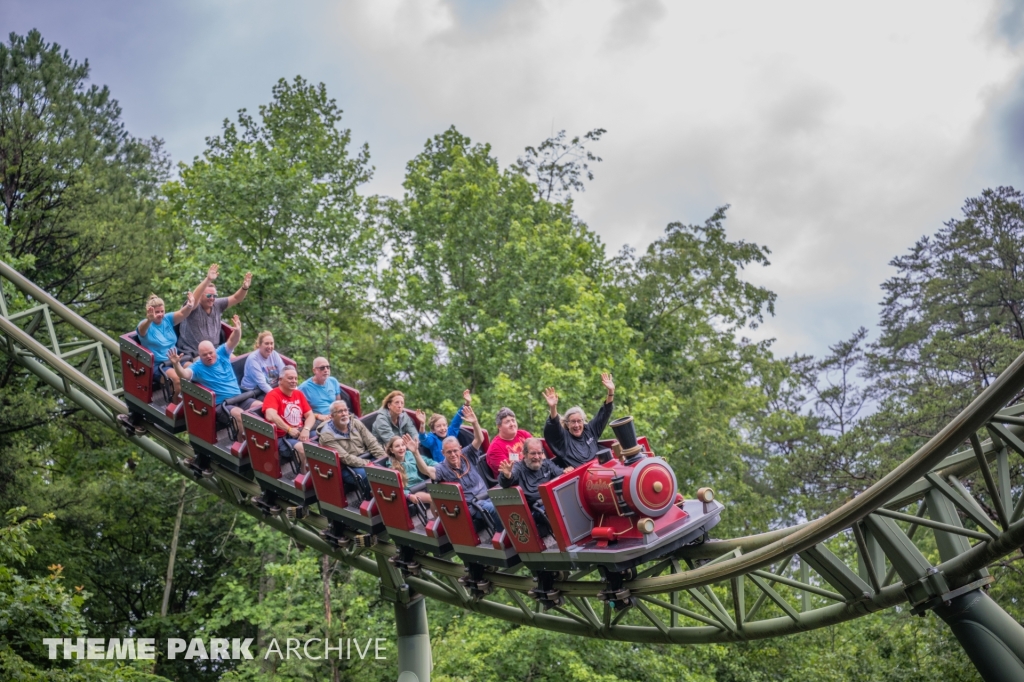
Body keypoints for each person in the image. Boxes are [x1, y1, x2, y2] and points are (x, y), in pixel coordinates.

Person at [168, 315, 260, 438]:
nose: (209, 356)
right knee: (240, 415)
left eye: (211, 353)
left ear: (214, 350)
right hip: (222, 405)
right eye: (205, 355)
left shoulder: (221, 352)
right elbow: (184, 375)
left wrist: (237, 330)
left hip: (239, 398)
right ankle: (243, 443)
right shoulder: (197, 367)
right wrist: (176, 364)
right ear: (200, 356)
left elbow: (233, 341)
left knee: (260, 407)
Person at [434, 406, 504, 533]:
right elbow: (429, 472)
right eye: (449, 452)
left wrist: (474, 422)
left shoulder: (466, 454)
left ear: (460, 449)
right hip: (473, 505)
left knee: (511, 501)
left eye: (455, 451)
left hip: (486, 495)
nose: (453, 454)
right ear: (443, 453)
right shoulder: (442, 468)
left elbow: (479, 439)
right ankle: (503, 536)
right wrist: (416, 453)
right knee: (495, 508)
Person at [499, 438, 573, 536]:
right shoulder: (518, 467)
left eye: (539, 453)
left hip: (550, 503)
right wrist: (507, 476)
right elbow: (505, 482)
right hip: (534, 511)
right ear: (524, 454)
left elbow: (560, 475)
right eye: (533, 453)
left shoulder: (546, 464)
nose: (537, 457)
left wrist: (567, 472)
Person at [177, 263, 252, 357]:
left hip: (215, 350)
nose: (212, 298)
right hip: (193, 353)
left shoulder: (217, 304)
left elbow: (236, 298)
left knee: (235, 361)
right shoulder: (192, 306)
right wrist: (208, 280)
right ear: (200, 295)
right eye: (209, 295)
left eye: (214, 296)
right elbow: (194, 300)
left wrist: (244, 288)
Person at [542, 373, 616, 468]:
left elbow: (604, 413)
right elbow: (554, 426)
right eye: (573, 422)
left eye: (579, 421)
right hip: (580, 478)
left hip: (599, 470)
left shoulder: (590, 430)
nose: (576, 425)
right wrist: (553, 408)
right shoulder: (563, 439)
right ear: (567, 424)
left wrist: (611, 391)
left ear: (583, 421)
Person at [317, 400, 384, 499]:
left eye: (345, 410)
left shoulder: (355, 423)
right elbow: (345, 458)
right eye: (340, 412)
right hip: (348, 467)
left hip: (366, 458)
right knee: (369, 475)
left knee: (390, 465)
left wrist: (384, 458)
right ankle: (369, 501)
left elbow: (372, 442)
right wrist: (368, 463)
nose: (344, 414)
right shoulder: (327, 435)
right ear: (332, 416)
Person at [136, 292, 195, 397]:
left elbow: (182, 313)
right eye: (157, 312)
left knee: (195, 369)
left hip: (175, 360)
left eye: (162, 311)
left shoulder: (167, 319)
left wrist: (190, 305)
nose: (160, 315)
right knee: (176, 379)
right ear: (150, 312)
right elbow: (142, 330)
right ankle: (176, 409)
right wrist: (149, 320)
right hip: (159, 365)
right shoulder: (144, 325)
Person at [262, 366, 314, 475]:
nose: (294, 381)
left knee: (324, 438)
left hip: (299, 431)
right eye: (290, 378)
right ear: (280, 380)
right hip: (282, 437)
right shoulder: (273, 395)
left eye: (295, 378)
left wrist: (306, 429)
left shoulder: (298, 394)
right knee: (302, 448)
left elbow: (310, 415)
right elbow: (270, 415)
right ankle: (304, 478)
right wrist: (289, 429)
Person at [418, 390, 472, 463]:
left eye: (444, 425)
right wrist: (422, 424)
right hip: (444, 469)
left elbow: (458, 419)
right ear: (433, 430)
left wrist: (467, 403)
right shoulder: (432, 440)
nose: (443, 428)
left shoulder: (451, 432)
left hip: (457, 463)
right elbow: (423, 438)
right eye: (439, 426)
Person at [385, 435, 433, 509]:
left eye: (403, 445)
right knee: (432, 499)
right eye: (397, 446)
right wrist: (408, 496)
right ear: (392, 450)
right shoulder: (391, 465)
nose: (401, 448)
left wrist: (438, 466)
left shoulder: (410, 454)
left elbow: (426, 460)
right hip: (411, 491)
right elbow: (397, 488)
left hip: (422, 484)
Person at [298, 357, 351, 425]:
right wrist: (318, 416)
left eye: (328, 367)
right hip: (319, 421)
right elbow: (300, 412)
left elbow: (338, 404)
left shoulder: (333, 381)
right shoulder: (304, 388)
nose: (326, 370)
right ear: (314, 370)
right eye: (322, 368)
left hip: (336, 417)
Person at [485, 407, 532, 477]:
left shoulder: (523, 434)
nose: (512, 424)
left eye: (513, 420)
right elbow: (511, 472)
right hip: (514, 481)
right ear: (499, 427)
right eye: (507, 422)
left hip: (532, 471)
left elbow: (539, 452)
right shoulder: (495, 448)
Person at [241, 331, 285, 397]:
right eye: (266, 344)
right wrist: (278, 397)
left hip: (271, 387)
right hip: (253, 392)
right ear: (259, 345)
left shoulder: (274, 354)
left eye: (271, 343)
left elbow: (284, 372)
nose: (270, 347)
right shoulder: (253, 359)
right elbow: (262, 384)